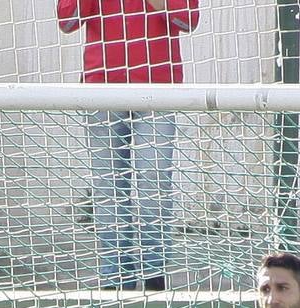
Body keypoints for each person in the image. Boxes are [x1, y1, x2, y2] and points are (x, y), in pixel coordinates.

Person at [57, 0, 199, 292]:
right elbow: (66, 20)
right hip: (102, 86)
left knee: (153, 180)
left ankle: (154, 272)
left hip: (158, 86)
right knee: (108, 187)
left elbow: (187, 18)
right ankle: (114, 276)